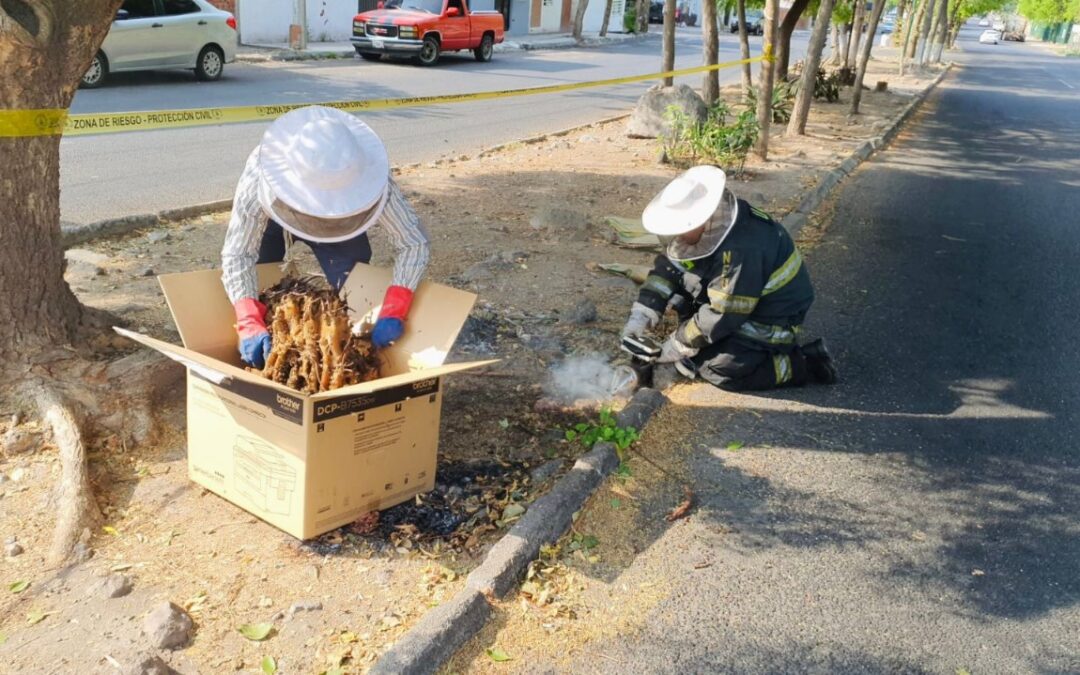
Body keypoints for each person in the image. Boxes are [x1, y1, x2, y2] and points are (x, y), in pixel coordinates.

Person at [221, 105, 430, 369]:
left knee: (354, 288)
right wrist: (248, 319)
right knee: (261, 278)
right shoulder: (259, 175)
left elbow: (414, 242)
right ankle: (259, 337)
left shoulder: (369, 176)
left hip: (341, 226)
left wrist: (394, 307)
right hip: (274, 219)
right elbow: (238, 253)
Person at [621, 166, 837, 391]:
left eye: (681, 228)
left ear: (700, 220)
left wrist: (679, 344)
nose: (677, 236)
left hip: (773, 316)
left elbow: (723, 313)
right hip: (737, 300)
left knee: (718, 368)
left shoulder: (741, 250)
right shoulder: (710, 228)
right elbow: (669, 268)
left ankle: (805, 363)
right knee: (694, 330)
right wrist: (642, 313)